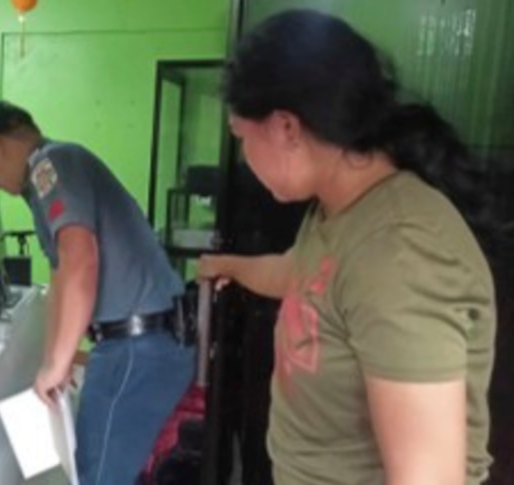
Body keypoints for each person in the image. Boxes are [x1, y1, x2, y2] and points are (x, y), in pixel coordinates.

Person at [198, 9, 496, 485]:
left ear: (286, 128)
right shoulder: (337, 214)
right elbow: (300, 273)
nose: (244, 158)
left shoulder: (399, 253)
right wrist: (224, 264)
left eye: (242, 138)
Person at [0, 101, 195, 485]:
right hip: (136, 343)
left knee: (98, 475)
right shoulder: (44, 184)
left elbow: (81, 259)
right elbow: (61, 278)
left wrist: (58, 362)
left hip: (137, 346)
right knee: (90, 466)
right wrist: (54, 360)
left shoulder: (52, 164)